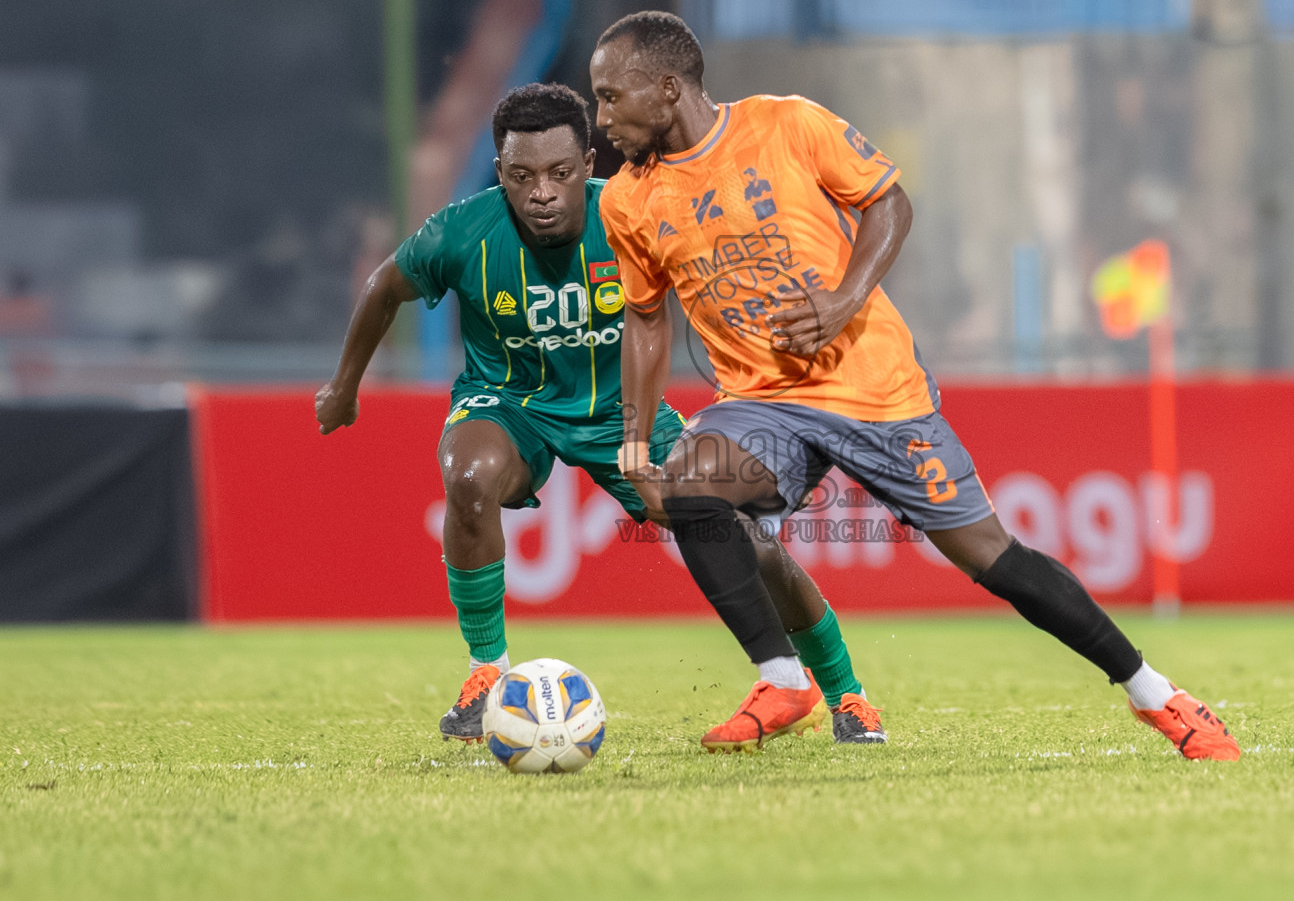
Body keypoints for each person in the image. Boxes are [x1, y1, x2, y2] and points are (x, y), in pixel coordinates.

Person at [591, 11, 1239, 760]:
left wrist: (839, 303)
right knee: (691, 489)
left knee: (990, 558)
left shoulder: (788, 126)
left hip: (876, 389)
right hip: (762, 401)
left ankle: (1157, 696)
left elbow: (889, 203)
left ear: (668, 89)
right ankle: (784, 678)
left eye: (612, 97)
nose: (603, 118)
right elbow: (644, 321)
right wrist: (635, 442)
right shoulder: (626, 200)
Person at [314, 82, 886, 747]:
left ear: (589, 164)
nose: (542, 194)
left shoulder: (639, 213)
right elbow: (383, 287)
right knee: (468, 479)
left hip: (624, 411)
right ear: (500, 173)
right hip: (509, 403)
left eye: (560, 174)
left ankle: (841, 692)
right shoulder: (462, 232)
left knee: (736, 531)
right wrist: (343, 387)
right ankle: (486, 676)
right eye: (522, 177)